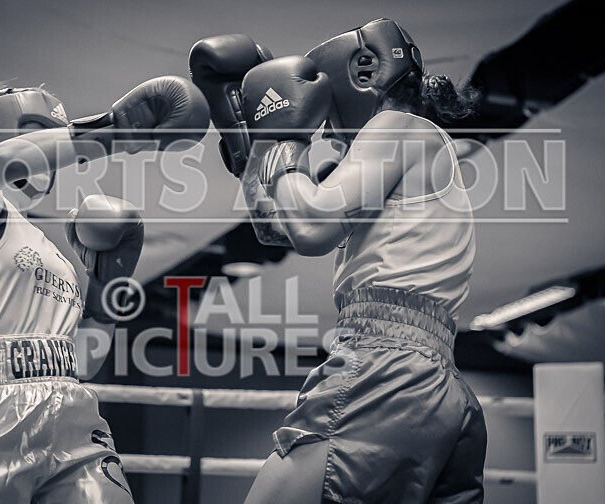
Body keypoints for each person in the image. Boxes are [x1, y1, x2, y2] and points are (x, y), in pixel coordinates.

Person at [191, 18, 485, 503]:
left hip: (384, 371)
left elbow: (309, 228)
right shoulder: (408, 151)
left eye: (323, 108)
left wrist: (283, 138)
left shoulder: (396, 127)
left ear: (363, 71)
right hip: (438, 386)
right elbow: (276, 227)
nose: (324, 123)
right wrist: (253, 147)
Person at [0, 78, 209, 503]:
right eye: (35, 130)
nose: (48, 151)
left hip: (72, 409)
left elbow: (85, 360)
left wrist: (108, 279)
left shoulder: (54, 254)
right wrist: (116, 130)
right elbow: (0, 163)